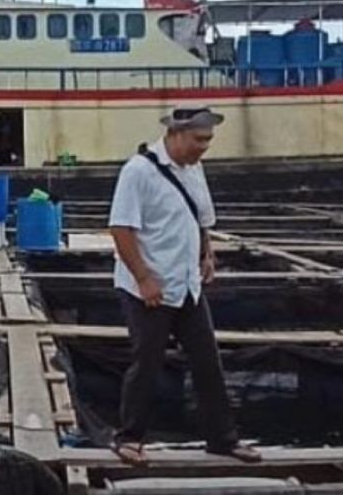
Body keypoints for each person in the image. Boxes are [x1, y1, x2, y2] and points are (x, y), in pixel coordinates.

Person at [108, 106, 260, 465]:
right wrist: (144, 277)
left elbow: (200, 216)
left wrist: (207, 253)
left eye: (208, 140)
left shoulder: (195, 169)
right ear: (175, 135)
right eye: (198, 140)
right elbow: (120, 228)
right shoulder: (138, 172)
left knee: (208, 362)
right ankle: (128, 437)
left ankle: (223, 439)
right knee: (147, 361)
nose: (203, 148)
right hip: (149, 286)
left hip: (187, 284)